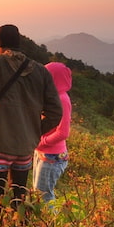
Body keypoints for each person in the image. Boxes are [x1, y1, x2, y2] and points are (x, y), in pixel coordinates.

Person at [0, 24, 62, 218]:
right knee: (19, 197)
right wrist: (34, 130)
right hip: (25, 147)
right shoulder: (41, 71)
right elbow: (55, 112)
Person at [32, 62, 72, 202]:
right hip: (43, 151)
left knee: (44, 196)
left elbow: (63, 132)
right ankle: (43, 223)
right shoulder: (52, 96)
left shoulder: (62, 99)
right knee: (38, 194)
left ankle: (52, 223)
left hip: (52, 155)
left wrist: (41, 142)